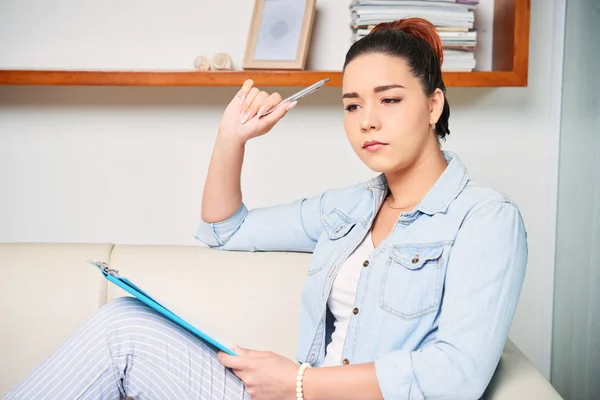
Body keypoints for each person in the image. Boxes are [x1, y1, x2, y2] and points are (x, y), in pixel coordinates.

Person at [3, 17, 527, 400]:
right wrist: (233, 138)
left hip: (301, 392)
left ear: (433, 105)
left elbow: (456, 375)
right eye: (351, 105)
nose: (367, 120)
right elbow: (225, 230)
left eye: (389, 99)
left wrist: (298, 382)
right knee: (123, 326)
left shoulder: (485, 219)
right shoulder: (348, 209)